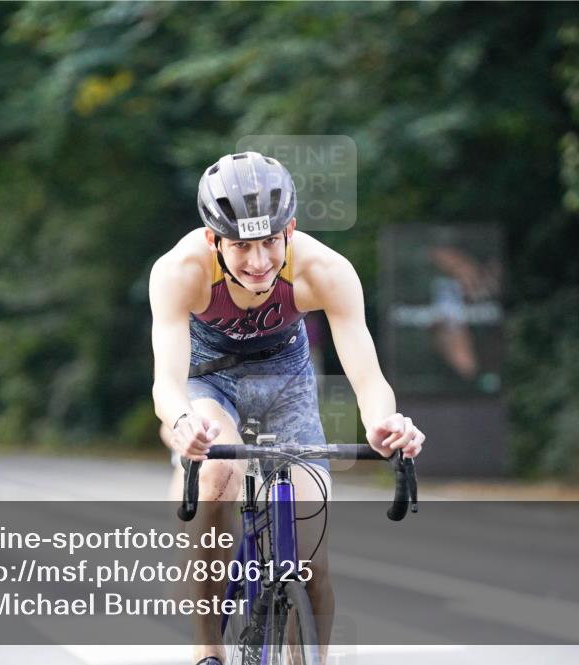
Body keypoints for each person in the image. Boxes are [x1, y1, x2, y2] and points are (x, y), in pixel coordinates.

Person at [149, 151, 425, 665]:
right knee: (218, 475)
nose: (258, 262)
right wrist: (184, 424)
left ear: (290, 230)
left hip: (286, 382)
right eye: (241, 247)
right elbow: (165, 383)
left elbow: (368, 378)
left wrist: (384, 425)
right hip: (210, 383)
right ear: (214, 240)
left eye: (270, 242)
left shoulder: (325, 270)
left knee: (312, 562)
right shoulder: (180, 271)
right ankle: (208, 647)